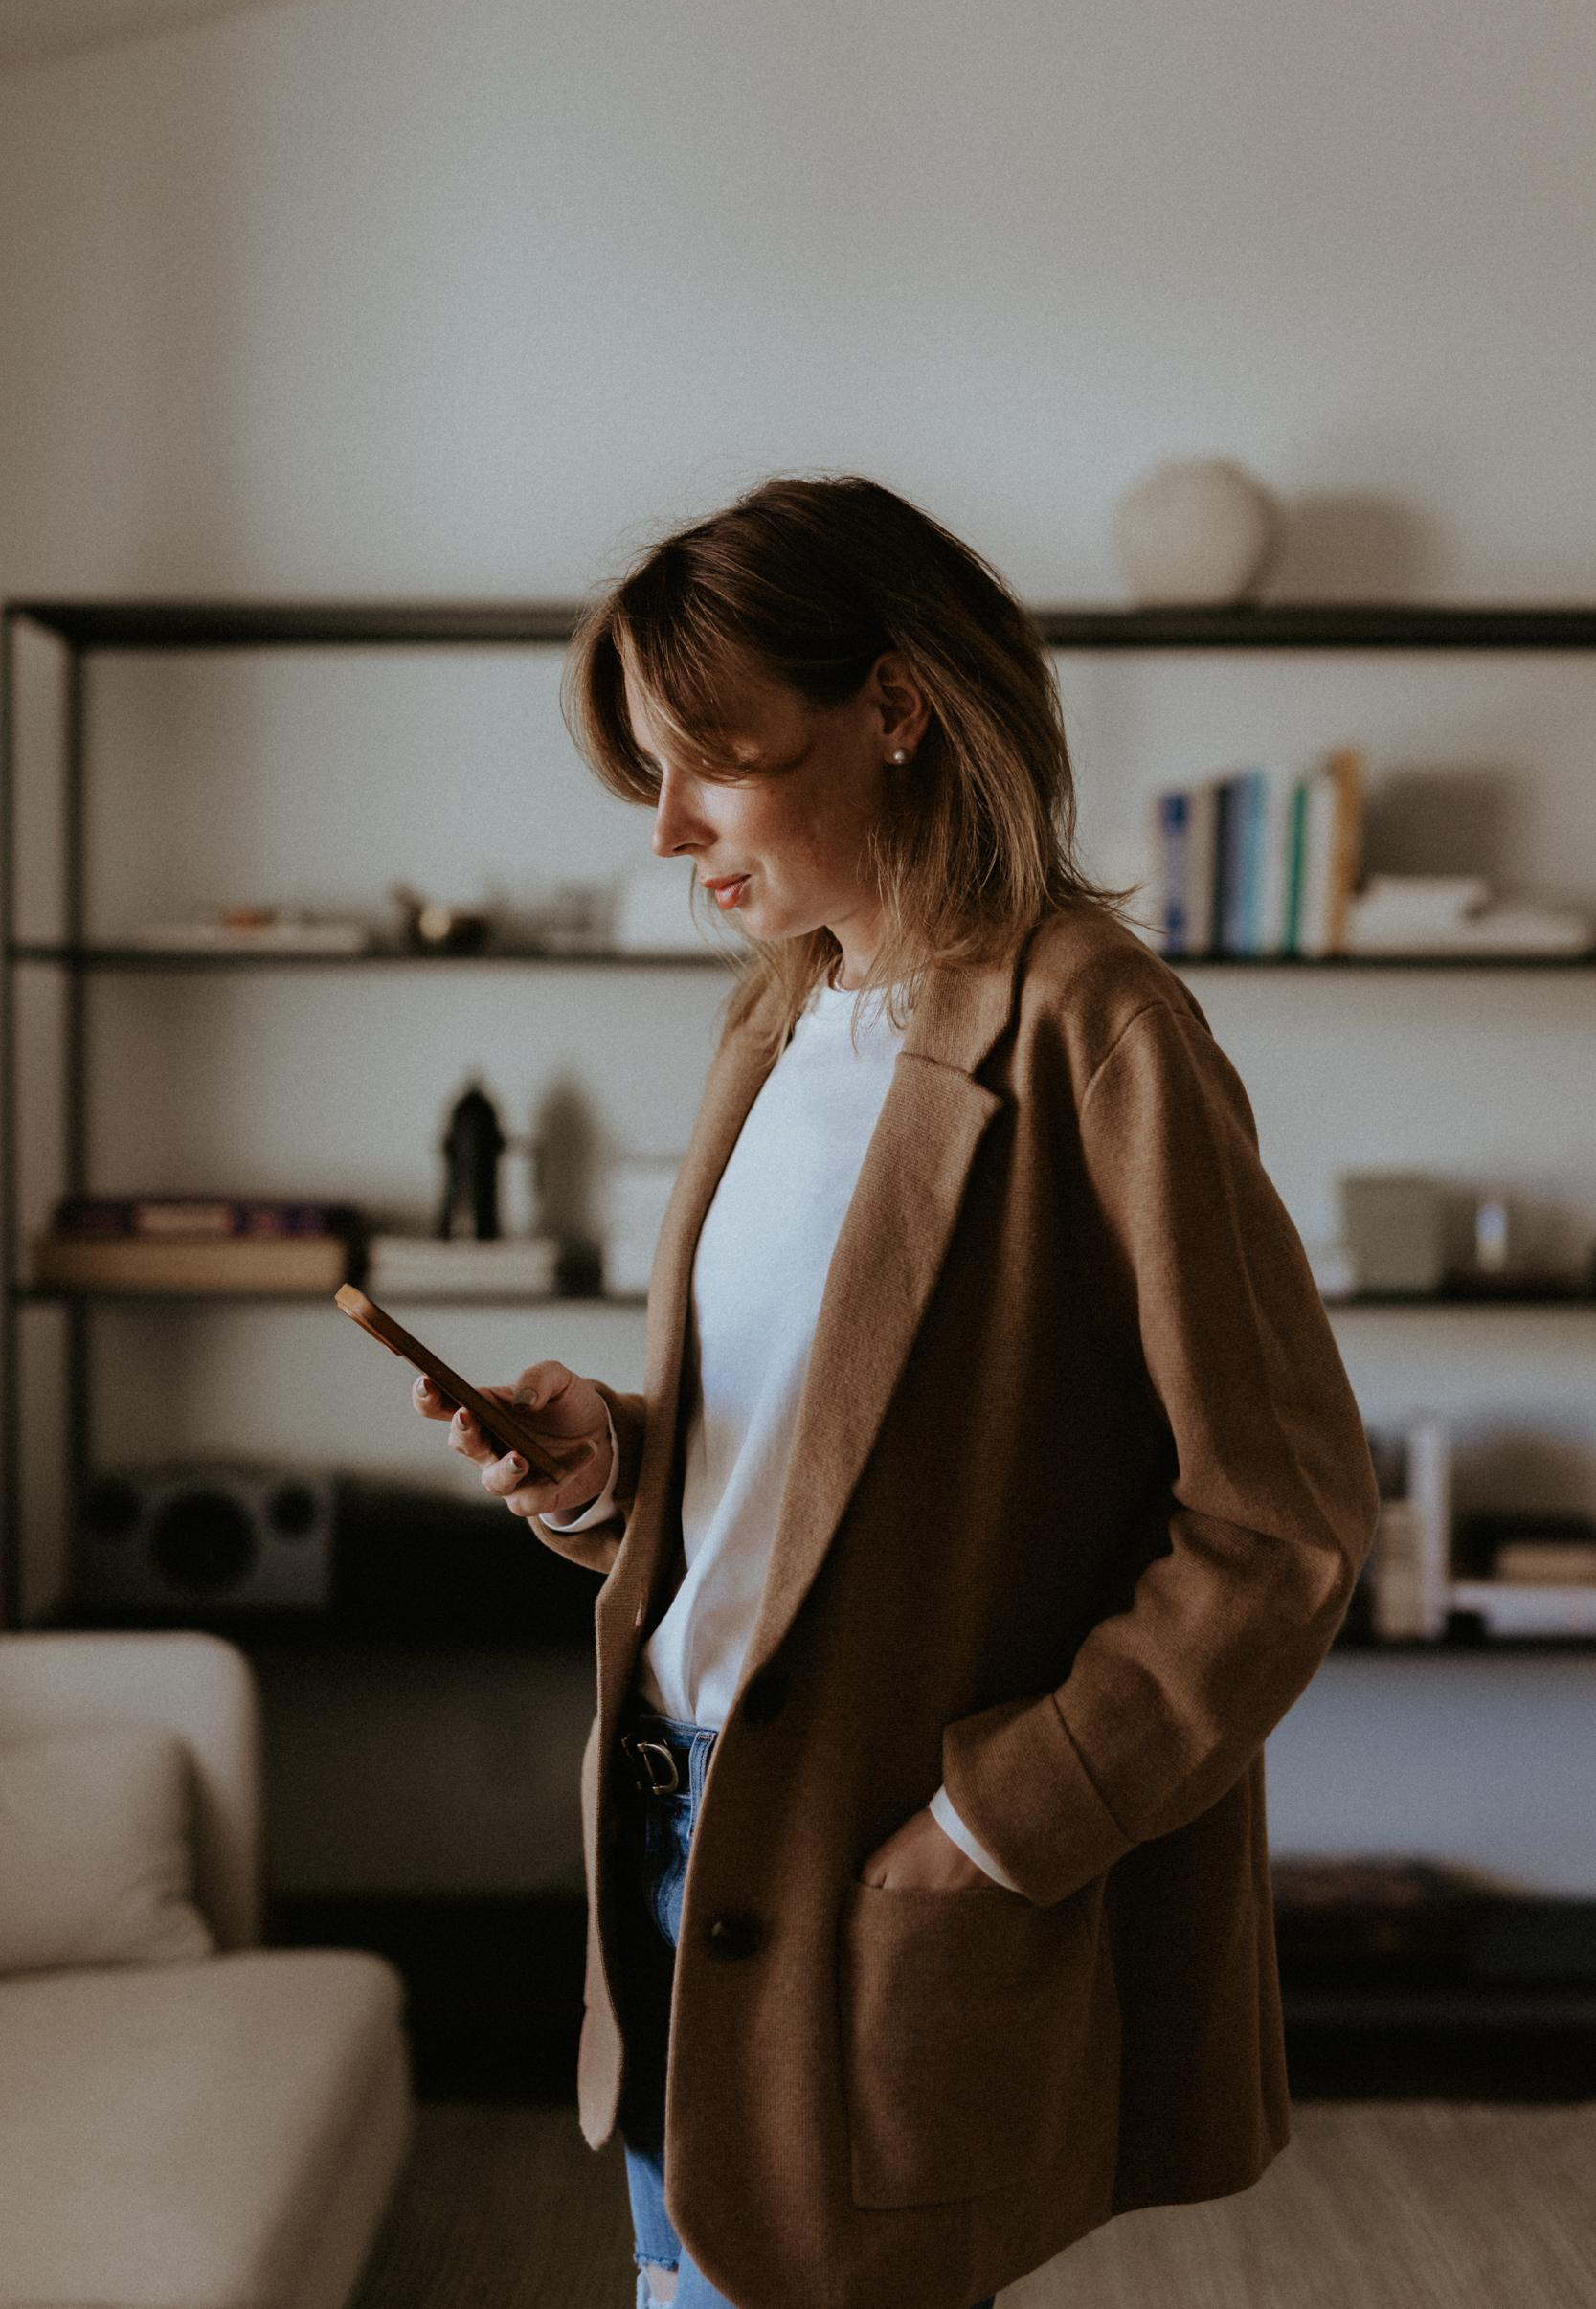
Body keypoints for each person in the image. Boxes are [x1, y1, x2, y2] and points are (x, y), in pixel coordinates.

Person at [415, 474, 1382, 2309]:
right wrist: (613, 1468)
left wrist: (997, 1827)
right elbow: (818, 1460)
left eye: (714, 760)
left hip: (873, 1850)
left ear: (893, 707)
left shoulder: (1097, 1026)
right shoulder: (776, 1015)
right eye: (650, 774)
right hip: (665, 1816)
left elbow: (1281, 1523)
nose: (667, 831)